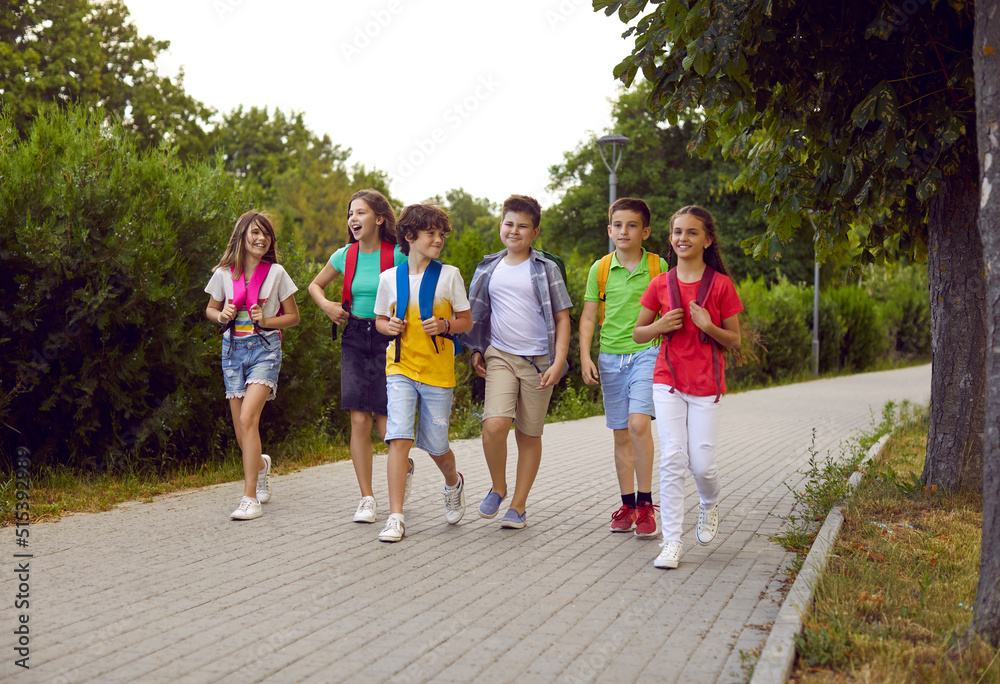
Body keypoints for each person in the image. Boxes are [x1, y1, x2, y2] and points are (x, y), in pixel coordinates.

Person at [632, 205, 743, 569]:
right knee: (673, 458)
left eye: (692, 232)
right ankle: (672, 542)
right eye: (678, 231)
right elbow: (638, 332)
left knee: (704, 466)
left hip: (707, 386)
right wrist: (661, 325)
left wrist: (709, 326)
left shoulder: (721, 285)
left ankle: (709, 506)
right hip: (668, 382)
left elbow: (735, 341)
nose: (683, 238)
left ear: (707, 240)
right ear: (670, 238)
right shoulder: (660, 284)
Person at [459, 195, 572, 529]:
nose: (515, 230)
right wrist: (477, 349)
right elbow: (477, 316)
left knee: (528, 434)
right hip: (500, 356)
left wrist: (558, 362)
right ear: (501, 226)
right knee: (494, 425)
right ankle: (498, 486)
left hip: (539, 362)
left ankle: (518, 506)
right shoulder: (488, 267)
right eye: (509, 223)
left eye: (523, 226)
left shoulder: (546, 268)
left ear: (534, 231)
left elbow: (562, 318)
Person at [373, 204, 472, 542]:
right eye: (432, 233)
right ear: (410, 235)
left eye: (442, 233)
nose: (439, 239)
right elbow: (379, 320)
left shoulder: (450, 275)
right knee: (399, 436)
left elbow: (466, 322)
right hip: (399, 367)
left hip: (437, 372)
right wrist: (390, 326)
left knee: (436, 445)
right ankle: (395, 516)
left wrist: (446, 324)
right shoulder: (390, 278)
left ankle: (453, 482)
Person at [308, 189, 407, 524]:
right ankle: (367, 498)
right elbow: (314, 287)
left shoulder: (397, 256)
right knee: (359, 420)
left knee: (384, 424)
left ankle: (402, 464)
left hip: (387, 339)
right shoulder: (344, 256)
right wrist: (328, 306)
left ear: (379, 218)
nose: (353, 219)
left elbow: (417, 288)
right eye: (351, 213)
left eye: (361, 212)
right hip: (353, 336)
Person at [579, 198, 668, 539]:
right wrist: (585, 355)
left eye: (632, 225)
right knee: (620, 434)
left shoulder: (659, 267)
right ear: (609, 230)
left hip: (647, 353)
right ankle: (628, 505)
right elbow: (589, 317)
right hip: (610, 358)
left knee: (638, 424)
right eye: (618, 225)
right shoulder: (600, 269)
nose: (624, 231)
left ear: (645, 231)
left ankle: (646, 505)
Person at [205, 212, 300, 520]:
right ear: (242, 236)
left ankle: (249, 500)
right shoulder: (223, 274)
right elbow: (210, 309)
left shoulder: (276, 273)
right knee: (240, 429)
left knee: (249, 418)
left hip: (265, 350)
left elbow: (293, 317)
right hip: (232, 351)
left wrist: (267, 320)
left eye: (266, 235)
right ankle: (260, 465)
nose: (261, 239)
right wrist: (221, 315)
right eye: (255, 233)